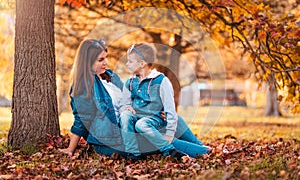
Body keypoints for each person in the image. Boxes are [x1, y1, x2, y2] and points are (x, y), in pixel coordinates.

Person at [60, 38, 211, 160]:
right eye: (100, 60)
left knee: (173, 119)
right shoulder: (83, 86)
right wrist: (70, 149)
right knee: (161, 139)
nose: (105, 62)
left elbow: (129, 98)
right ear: (87, 62)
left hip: (129, 126)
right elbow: (81, 119)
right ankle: (204, 152)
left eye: (106, 58)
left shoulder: (111, 76)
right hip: (111, 140)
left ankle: (201, 146)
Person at [120, 42, 212, 159]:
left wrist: (169, 133)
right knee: (125, 116)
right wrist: (126, 106)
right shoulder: (130, 82)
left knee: (141, 124)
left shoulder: (161, 81)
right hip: (137, 118)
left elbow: (170, 109)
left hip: (155, 120)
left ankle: (171, 151)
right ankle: (133, 153)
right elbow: (123, 101)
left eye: (130, 61)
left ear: (142, 63)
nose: (127, 64)